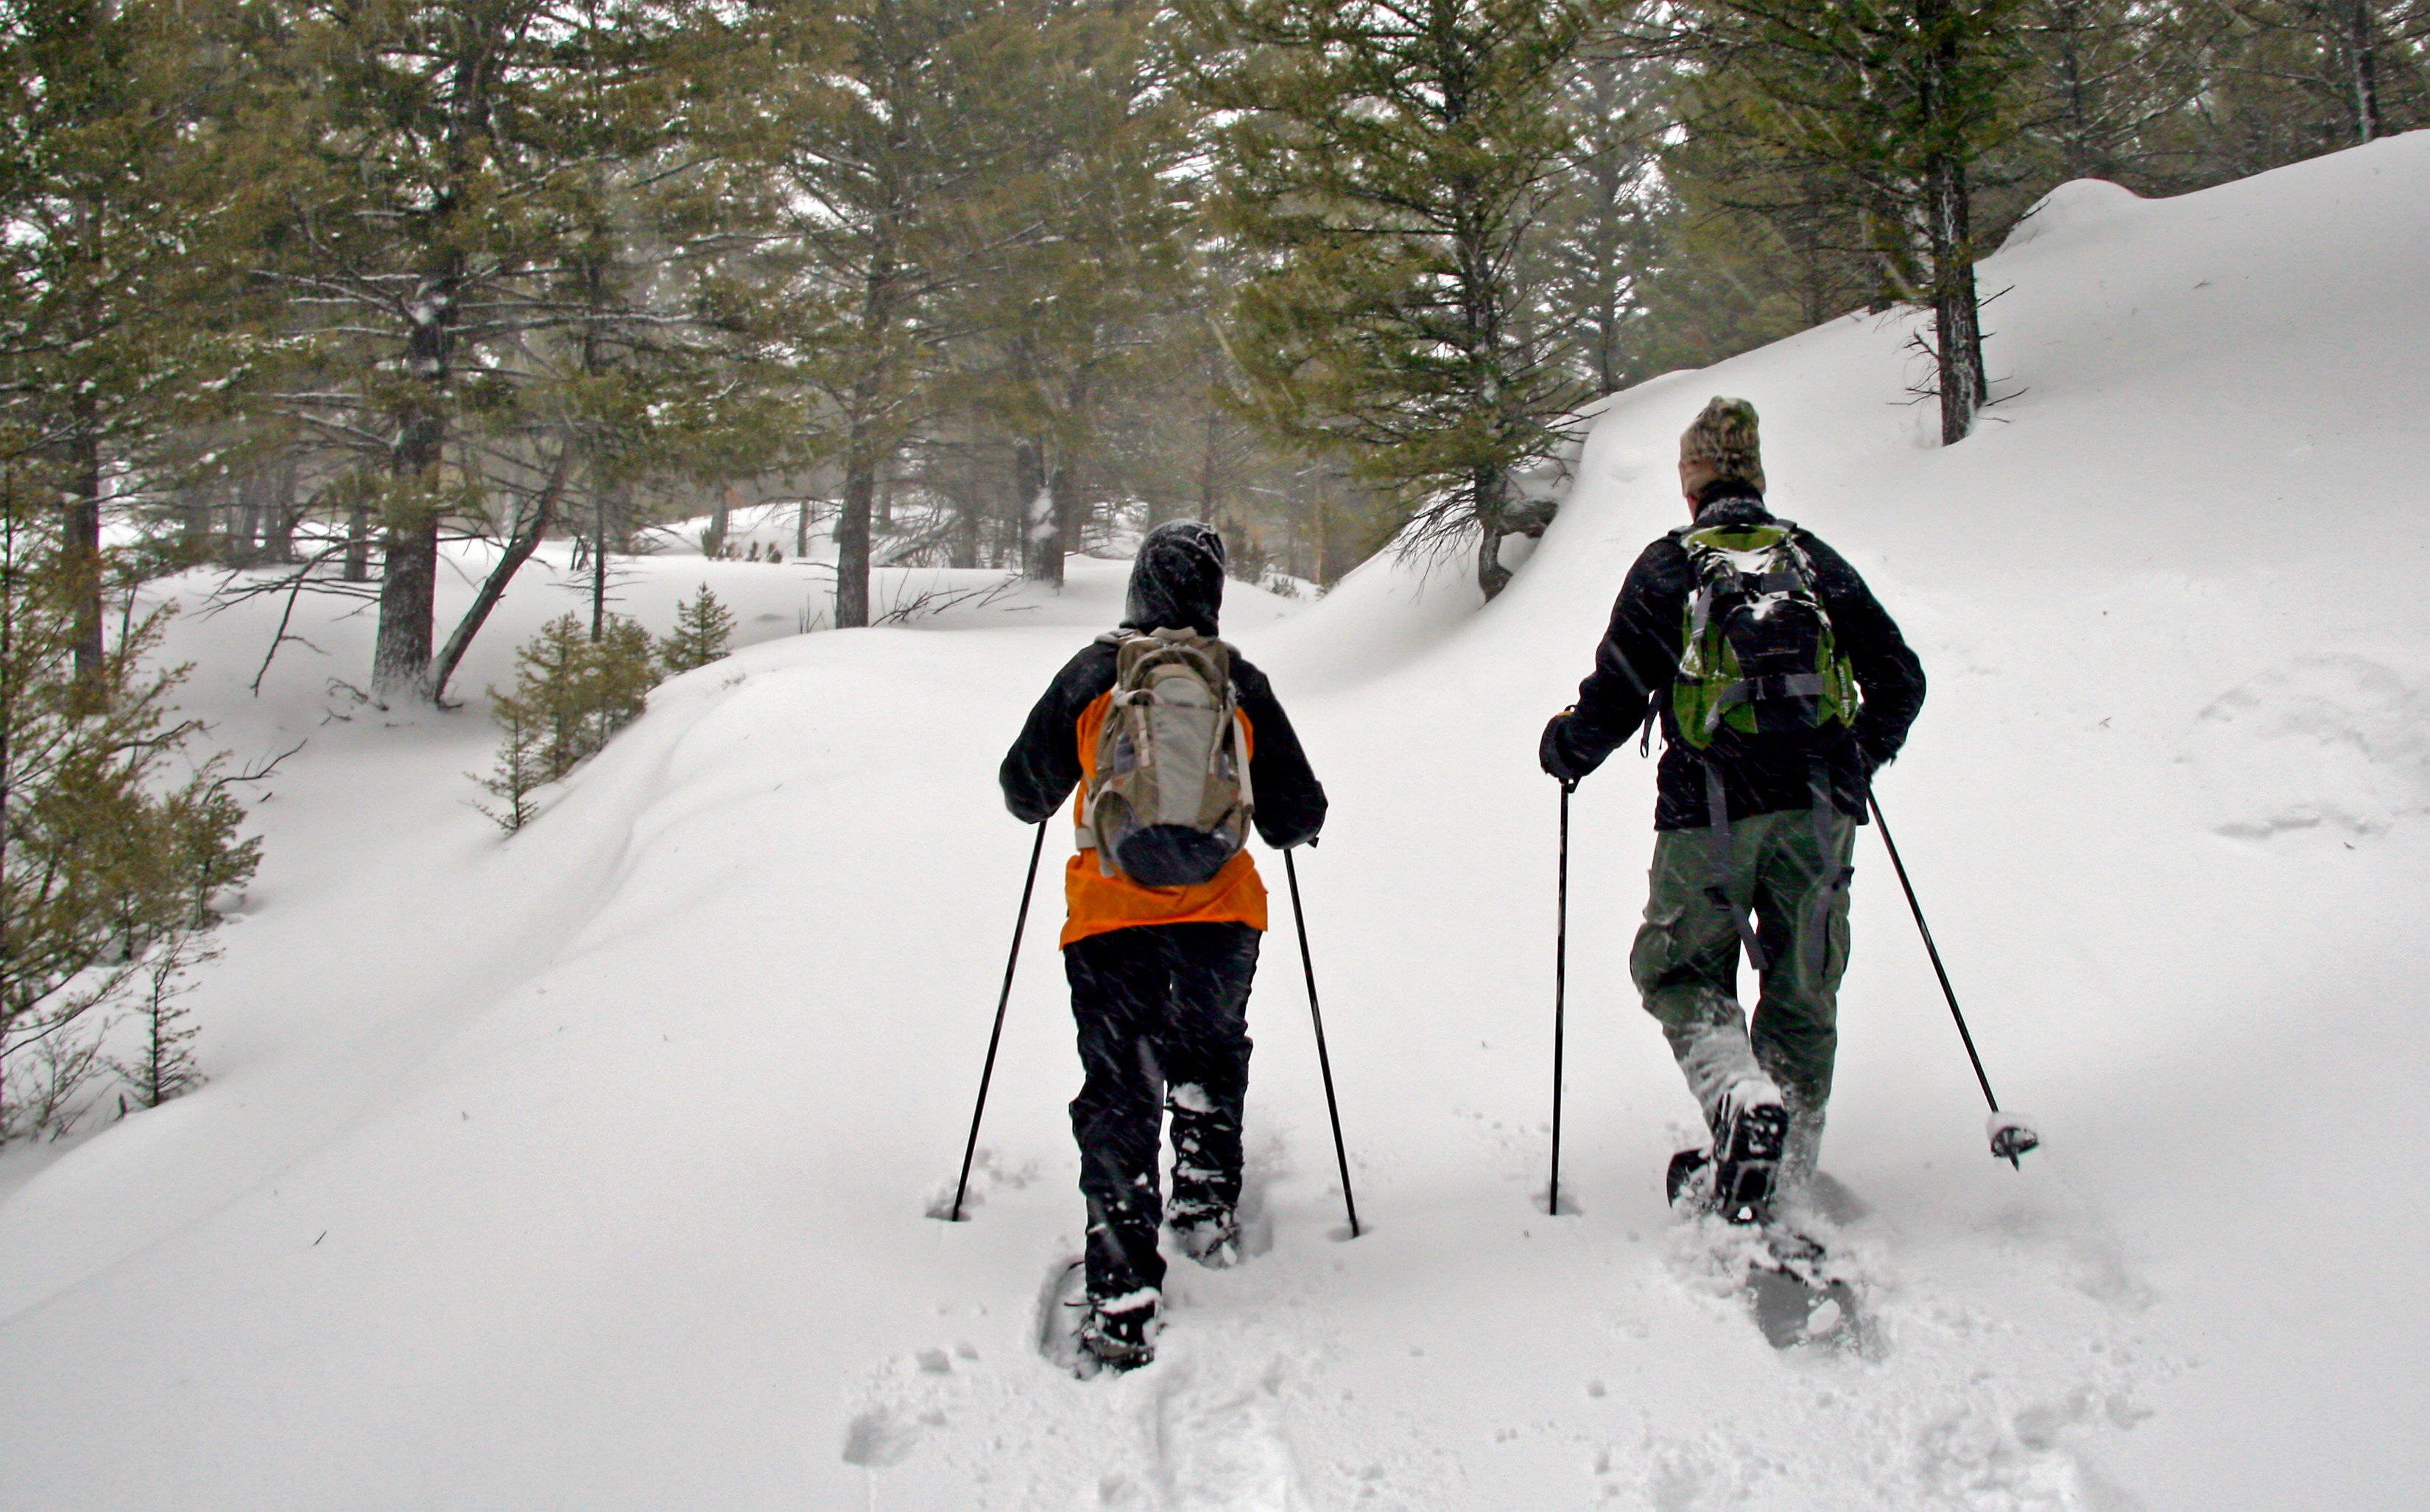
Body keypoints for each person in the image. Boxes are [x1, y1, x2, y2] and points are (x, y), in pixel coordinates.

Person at [1539, 397, 1925, 1223]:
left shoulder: (1668, 567)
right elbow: (1902, 677)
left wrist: (1566, 748)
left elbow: (1615, 693)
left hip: (1706, 812)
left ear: (1692, 485)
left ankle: (1738, 1095)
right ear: (1755, 473)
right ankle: (1783, 1178)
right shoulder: (1812, 561)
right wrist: (1854, 761)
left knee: (1677, 969)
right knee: (1803, 983)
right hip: (1820, 810)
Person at [999, 521, 1326, 1371]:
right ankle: (1208, 1207)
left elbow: (1021, 790)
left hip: (1110, 922)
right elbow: (1298, 813)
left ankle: (1119, 1287)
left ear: (1138, 587)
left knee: (1119, 1086)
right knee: (1210, 1053)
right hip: (1222, 920)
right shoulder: (1237, 679)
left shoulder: (1094, 672)